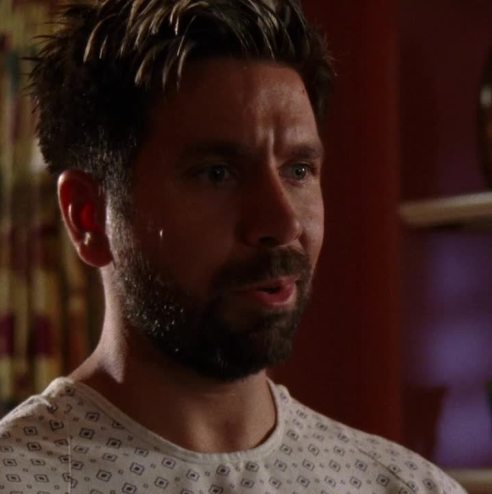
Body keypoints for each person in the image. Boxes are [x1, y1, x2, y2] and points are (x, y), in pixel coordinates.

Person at [0, 1, 466, 492]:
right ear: (89, 217)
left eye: (298, 170)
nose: (283, 222)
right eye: (217, 173)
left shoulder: (407, 486)